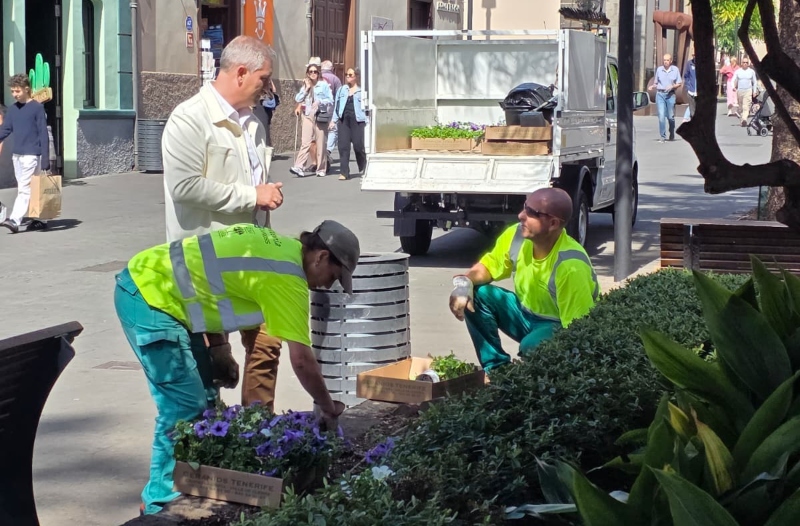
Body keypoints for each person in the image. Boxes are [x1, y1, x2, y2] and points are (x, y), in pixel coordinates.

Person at [115, 220, 359, 515]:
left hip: (161, 291)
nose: (328, 285)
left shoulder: (281, 249)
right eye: (333, 275)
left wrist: (218, 347)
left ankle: (190, 484)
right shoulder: (287, 277)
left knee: (205, 403)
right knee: (182, 407)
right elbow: (301, 361)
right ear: (320, 257)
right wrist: (327, 405)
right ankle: (158, 504)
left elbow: (205, 278)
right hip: (149, 298)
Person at [161, 35, 287, 414]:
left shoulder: (254, 122)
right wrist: (254, 195)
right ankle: (210, 435)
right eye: (264, 79)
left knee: (269, 336)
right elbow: (184, 187)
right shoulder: (190, 117)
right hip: (204, 258)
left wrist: (264, 206)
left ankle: (257, 425)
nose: (268, 87)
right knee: (209, 367)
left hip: (249, 254)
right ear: (241, 72)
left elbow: (254, 185)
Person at [449, 188, 599, 371]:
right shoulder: (517, 236)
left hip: (557, 326)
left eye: (532, 213)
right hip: (525, 315)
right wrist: (464, 285)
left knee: (532, 345)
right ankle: (497, 371)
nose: (521, 215)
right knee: (478, 294)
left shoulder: (571, 266)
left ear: (553, 223)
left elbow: (577, 332)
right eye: (524, 207)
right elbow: (488, 266)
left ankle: (535, 382)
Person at [0, 74, 50, 233]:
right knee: (32, 188)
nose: (14, 94)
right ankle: (41, 219)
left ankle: (14, 220)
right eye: (13, 91)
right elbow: (6, 129)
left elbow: (43, 133)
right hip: (17, 155)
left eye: (17, 91)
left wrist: (46, 158)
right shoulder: (13, 109)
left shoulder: (37, 108)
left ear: (26, 89)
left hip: (31, 155)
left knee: (24, 187)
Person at [290, 58, 333, 178]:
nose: (313, 73)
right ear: (307, 73)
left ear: (318, 73)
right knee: (305, 142)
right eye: (310, 72)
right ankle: (299, 166)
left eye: (315, 71)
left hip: (320, 116)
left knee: (320, 143)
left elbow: (330, 100)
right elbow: (298, 99)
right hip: (308, 116)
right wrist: (306, 89)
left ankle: (321, 168)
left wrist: (320, 102)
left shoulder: (324, 85)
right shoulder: (306, 85)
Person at [330, 67, 367, 181]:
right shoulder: (342, 90)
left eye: (350, 75)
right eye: (347, 74)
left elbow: (366, 109)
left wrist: (368, 120)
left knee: (358, 145)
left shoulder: (362, 91)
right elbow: (337, 106)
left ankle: (363, 166)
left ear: (356, 77)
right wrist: (333, 120)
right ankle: (344, 172)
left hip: (357, 121)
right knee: (343, 146)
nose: (348, 76)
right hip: (343, 120)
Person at [653, 54, 682, 142]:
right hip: (660, 94)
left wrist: (672, 86)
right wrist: (652, 86)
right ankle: (663, 136)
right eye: (664, 60)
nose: (665, 62)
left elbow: (679, 83)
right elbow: (656, 83)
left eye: (667, 60)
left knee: (670, 117)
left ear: (671, 61)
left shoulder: (675, 70)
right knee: (661, 116)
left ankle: (672, 132)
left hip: (670, 95)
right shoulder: (659, 69)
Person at [321, 60, 342, 173]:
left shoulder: (319, 77)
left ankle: (321, 152)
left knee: (320, 130)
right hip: (331, 107)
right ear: (332, 68)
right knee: (333, 129)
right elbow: (339, 94)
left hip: (319, 108)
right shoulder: (335, 79)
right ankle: (328, 150)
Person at [254, 79, 279, 147]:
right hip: (261, 111)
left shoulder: (266, 92)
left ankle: (267, 151)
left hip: (263, 112)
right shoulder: (264, 91)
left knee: (263, 132)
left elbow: (273, 91)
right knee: (263, 133)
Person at [733, 57, 758, 127]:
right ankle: (742, 119)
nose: (745, 64)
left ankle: (744, 119)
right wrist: (733, 87)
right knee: (741, 107)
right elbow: (733, 80)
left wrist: (754, 91)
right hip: (740, 91)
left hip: (748, 91)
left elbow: (755, 82)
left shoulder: (751, 72)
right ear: (741, 63)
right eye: (744, 62)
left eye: (746, 62)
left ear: (748, 64)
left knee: (746, 106)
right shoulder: (738, 71)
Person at [682, 50, 697, 123]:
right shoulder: (689, 64)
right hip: (691, 91)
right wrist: (688, 87)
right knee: (692, 109)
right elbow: (686, 76)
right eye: (693, 55)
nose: (694, 56)